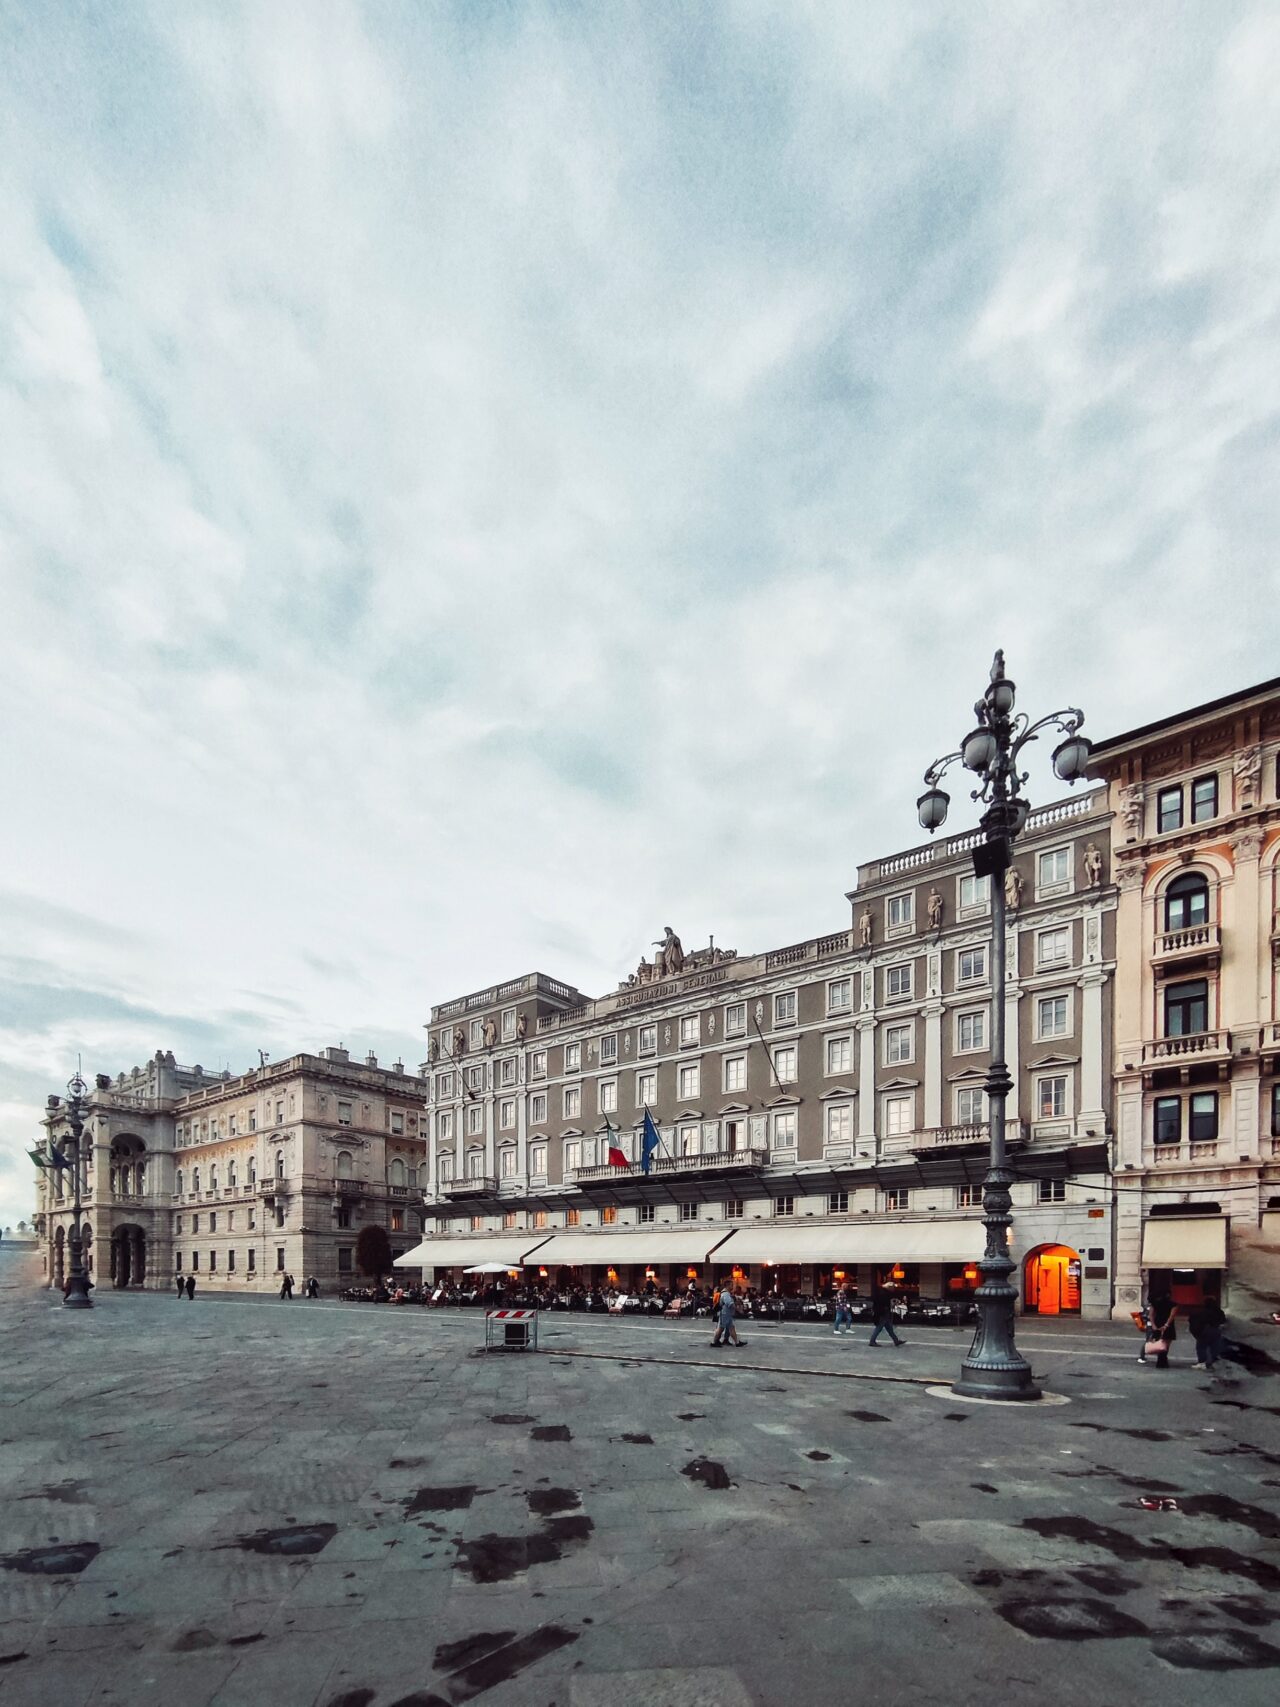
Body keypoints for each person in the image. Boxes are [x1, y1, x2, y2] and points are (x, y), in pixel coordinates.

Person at [1189, 1295, 1226, 1371]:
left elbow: (1194, 1321)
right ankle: (1213, 1363)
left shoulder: (1201, 1311)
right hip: (1216, 1330)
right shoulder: (1219, 1311)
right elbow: (1223, 1320)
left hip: (1205, 1331)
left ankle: (1202, 1362)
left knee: (1201, 1347)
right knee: (1214, 1347)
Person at [1143, 1289, 1177, 1369]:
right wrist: (1166, 1325)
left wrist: (1154, 1325)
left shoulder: (1154, 1304)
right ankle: (1163, 1360)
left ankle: (1161, 1360)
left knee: (1159, 1343)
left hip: (1157, 1323)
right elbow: (1172, 1316)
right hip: (1168, 1325)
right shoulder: (1173, 1304)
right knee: (1166, 1344)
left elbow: (1151, 1315)